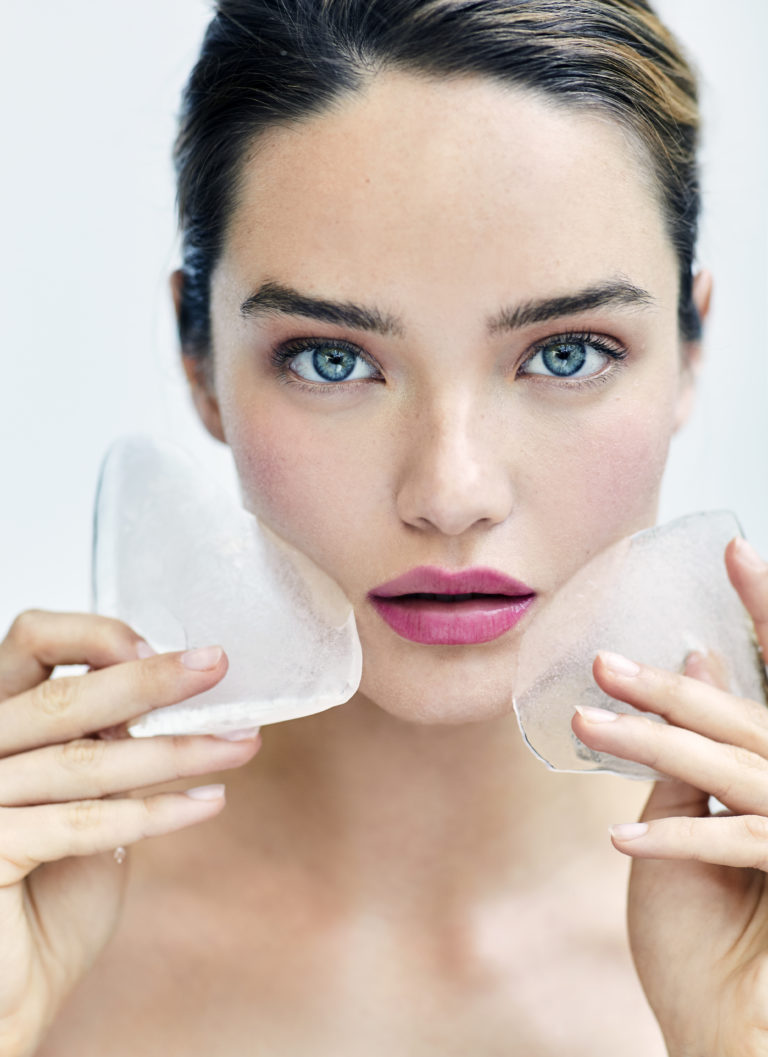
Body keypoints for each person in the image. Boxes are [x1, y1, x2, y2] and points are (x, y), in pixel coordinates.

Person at [1, 1, 766, 1053]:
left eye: (566, 353)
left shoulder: (746, 974)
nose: (451, 492)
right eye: (332, 359)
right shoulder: (36, 936)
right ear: (199, 361)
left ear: (689, 352)